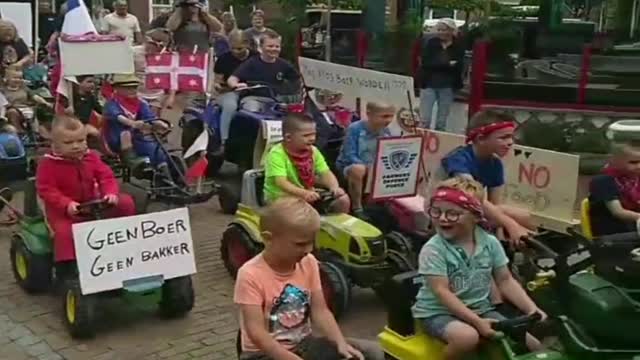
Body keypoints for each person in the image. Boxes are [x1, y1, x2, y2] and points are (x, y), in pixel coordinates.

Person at [234, 197, 384, 360]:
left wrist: (340, 342)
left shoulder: (309, 262)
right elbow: (256, 333)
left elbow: (320, 311)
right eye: (300, 244)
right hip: (262, 353)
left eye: (311, 242)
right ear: (268, 238)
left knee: (373, 352)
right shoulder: (250, 274)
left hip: (303, 343)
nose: (309, 249)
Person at [413, 177, 545, 360]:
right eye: (436, 211)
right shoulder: (434, 249)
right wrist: (477, 322)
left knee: (533, 345)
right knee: (467, 338)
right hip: (439, 312)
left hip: (481, 309)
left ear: (475, 216)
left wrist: (532, 309)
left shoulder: (489, 243)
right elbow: (441, 291)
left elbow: (504, 280)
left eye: (452, 213)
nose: (442, 218)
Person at [35, 116, 136, 270]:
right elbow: (46, 189)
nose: (76, 146)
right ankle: (67, 268)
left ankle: (127, 242)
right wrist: (66, 204)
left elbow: (105, 176)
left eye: (80, 140)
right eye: (68, 143)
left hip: (94, 204)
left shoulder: (91, 157)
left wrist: (110, 193)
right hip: (65, 212)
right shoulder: (48, 164)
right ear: (55, 144)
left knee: (126, 202)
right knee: (65, 232)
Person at [436, 109, 534, 247]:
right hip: (446, 209)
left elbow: (495, 205)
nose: (510, 142)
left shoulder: (495, 163)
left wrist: (499, 239)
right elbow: (474, 197)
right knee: (511, 219)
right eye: (503, 137)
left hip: (473, 210)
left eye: (511, 137)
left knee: (524, 216)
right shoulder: (458, 159)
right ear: (481, 139)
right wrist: (511, 225)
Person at [264, 113, 349, 213]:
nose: (312, 138)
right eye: (306, 135)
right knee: (302, 216)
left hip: (307, 194)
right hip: (281, 198)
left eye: (314, 134)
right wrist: (304, 193)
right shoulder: (276, 154)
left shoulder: (313, 151)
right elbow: (282, 182)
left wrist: (334, 187)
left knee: (343, 200)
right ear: (288, 137)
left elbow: (325, 172)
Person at [102, 73, 172, 180]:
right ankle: (132, 161)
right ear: (117, 88)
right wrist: (132, 123)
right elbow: (118, 116)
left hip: (137, 136)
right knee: (126, 134)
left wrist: (162, 124)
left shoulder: (140, 103)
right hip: (117, 137)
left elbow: (150, 116)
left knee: (156, 150)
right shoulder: (112, 103)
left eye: (134, 87)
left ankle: (167, 176)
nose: (133, 90)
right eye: (128, 88)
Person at [335, 102, 394, 218]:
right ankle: (357, 207)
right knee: (358, 169)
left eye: (391, 116)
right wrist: (368, 168)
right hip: (350, 165)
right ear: (369, 114)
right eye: (384, 116)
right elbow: (349, 154)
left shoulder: (386, 131)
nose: (388, 120)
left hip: (373, 167)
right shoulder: (355, 129)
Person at [227, 30, 300, 99]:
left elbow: (297, 80)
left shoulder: (284, 64)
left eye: (277, 46)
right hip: (254, 98)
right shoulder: (252, 62)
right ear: (261, 47)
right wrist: (236, 85)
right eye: (270, 46)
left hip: (276, 100)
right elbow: (232, 78)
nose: (274, 49)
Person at [213, 30, 256, 149]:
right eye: (233, 48)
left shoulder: (256, 57)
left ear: (247, 44)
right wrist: (218, 86)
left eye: (240, 48)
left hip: (253, 92)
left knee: (254, 108)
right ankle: (224, 141)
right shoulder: (223, 59)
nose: (236, 52)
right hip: (229, 92)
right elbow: (218, 81)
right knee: (230, 105)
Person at [419, 18, 463, 131]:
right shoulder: (431, 43)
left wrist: (441, 64)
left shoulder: (457, 45)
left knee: (441, 121)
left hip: (447, 86)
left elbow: (459, 65)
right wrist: (447, 64)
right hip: (429, 83)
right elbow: (427, 63)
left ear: (451, 30)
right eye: (439, 30)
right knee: (425, 119)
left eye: (444, 30)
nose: (441, 32)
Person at [589, 139, 640, 236]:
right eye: (633, 162)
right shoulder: (603, 181)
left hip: (632, 226)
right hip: (613, 231)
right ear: (615, 161)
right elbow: (618, 212)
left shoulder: (635, 178)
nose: (639, 166)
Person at [1, 67, 53, 134]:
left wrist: (46, 103)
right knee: (12, 112)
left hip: (26, 109)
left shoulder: (24, 88)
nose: (18, 80)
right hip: (11, 110)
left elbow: (35, 97)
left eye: (20, 78)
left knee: (38, 110)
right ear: (7, 79)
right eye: (15, 78)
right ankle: (19, 132)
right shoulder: (3, 90)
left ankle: (38, 133)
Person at [133, 28, 173, 114]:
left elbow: (173, 77)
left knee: (153, 122)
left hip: (157, 95)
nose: (154, 50)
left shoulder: (166, 57)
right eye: (151, 45)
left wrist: (171, 97)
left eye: (159, 48)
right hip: (136, 94)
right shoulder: (133, 52)